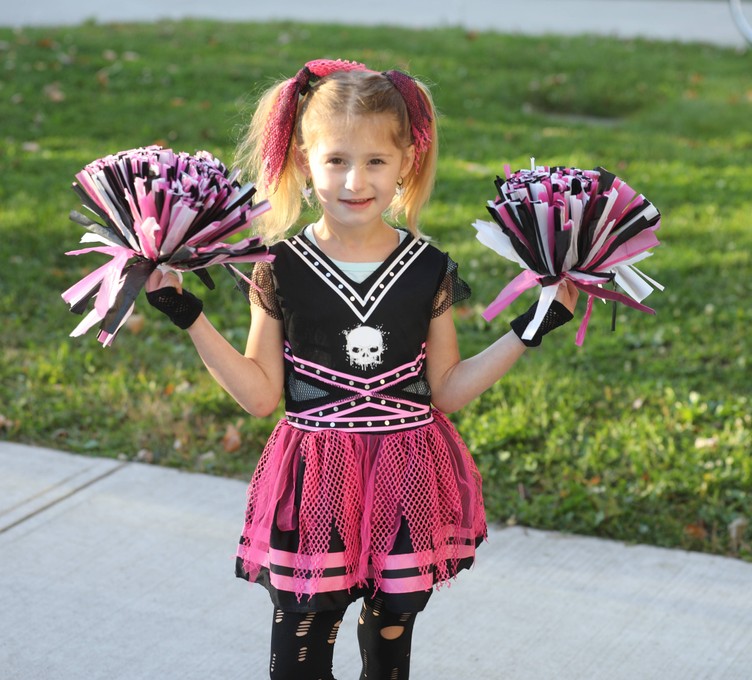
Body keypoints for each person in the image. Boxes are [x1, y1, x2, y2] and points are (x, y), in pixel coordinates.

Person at [145, 58, 578, 680]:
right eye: (337, 160)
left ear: (406, 162)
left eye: (376, 161)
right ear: (303, 160)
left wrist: (529, 330)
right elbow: (261, 395)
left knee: (390, 642)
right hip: (315, 478)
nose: (355, 180)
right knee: (302, 640)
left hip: (408, 473)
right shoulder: (279, 267)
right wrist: (188, 316)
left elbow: (447, 391)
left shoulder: (428, 266)